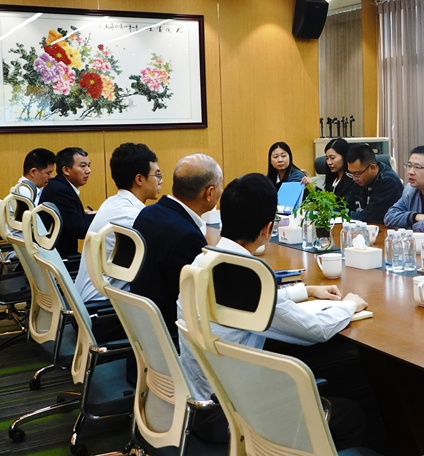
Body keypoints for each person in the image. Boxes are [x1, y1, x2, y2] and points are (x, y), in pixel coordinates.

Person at [177, 173, 368, 449]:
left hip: (199, 404)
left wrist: (306, 290)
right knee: (352, 414)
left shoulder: (203, 263)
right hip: (236, 414)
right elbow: (315, 330)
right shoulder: (250, 278)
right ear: (267, 229)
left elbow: (255, 301)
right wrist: (349, 305)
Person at [131, 153, 222, 341]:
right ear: (209, 192)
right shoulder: (186, 236)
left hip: (144, 325)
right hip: (171, 333)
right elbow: (204, 300)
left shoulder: (148, 213)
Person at [75, 143, 162, 305]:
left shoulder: (114, 202)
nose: (161, 181)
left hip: (93, 297)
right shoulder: (131, 216)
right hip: (101, 304)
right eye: (157, 175)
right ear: (139, 179)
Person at [39, 147, 96, 257]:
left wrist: (93, 215)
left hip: (57, 254)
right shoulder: (61, 191)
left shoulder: (58, 186)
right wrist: (103, 217)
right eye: (83, 166)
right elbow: (81, 229)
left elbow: (75, 219)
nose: (88, 170)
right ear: (66, 170)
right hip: (61, 258)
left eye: (89, 165)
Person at [346, 144, 402, 223]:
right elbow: (346, 205)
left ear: (372, 168)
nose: (354, 178)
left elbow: (370, 216)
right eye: (351, 173)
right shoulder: (361, 179)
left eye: (357, 174)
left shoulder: (388, 181)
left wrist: (346, 215)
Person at [324, 138, 356, 210]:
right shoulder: (333, 179)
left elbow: (343, 207)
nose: (329, 162)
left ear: (344, 157)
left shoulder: (352, 180)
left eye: (332, 158)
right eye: (327, 158)